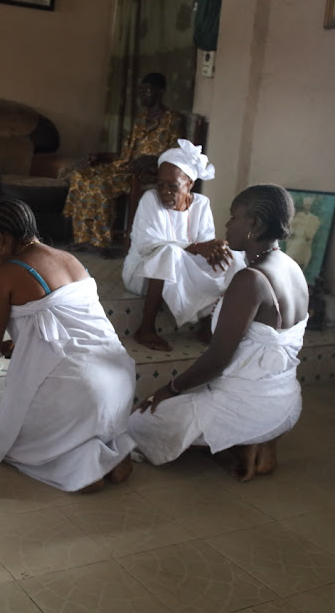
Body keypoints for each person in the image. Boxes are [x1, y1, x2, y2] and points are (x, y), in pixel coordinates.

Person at [0, 199, 137, 492]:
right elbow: (64, 329)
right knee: (81, 413)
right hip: (120, 379)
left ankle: (85, 470)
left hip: (84, 388)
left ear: (0, 239)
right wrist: (14, 347)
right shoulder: (70, 260)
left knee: (10, 441)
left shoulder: (5, 273)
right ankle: (111, 454)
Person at [128, 185, 309, 482]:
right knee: (194, 401)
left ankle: (243, 441)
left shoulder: (250, 279)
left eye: (233, 216)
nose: (227, 225)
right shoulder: (292, 267)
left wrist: (169, 389)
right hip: (286, 402)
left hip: (247, 406)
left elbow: (217, 360)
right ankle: (256, 440)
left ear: (255, 225)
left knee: (140, 422)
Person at [122, 139, 246, 351]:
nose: (164, 191)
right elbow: (146, 244)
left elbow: (206, 243)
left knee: (234, 258)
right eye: (160, 184)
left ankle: (208, 322)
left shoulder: (201, 203)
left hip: (183, 270)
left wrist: (216, 248)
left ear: (189, 184)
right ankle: (146, 328)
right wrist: (197, 248)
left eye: (173, 186)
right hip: (144, 274)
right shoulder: (149, 199)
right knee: (168, 253)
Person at [62, 72, 185, 257]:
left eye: (147, 91)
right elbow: (126, 153)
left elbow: (176, 152)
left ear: (160, 92)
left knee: (99, 184)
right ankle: (83, 239)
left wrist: (153, 160)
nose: (142, 95)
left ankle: (99, 242)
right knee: (80, 176)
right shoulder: (140, 119)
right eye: (140, 91)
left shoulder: (173, 119)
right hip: (125, 166)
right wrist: (103, 156)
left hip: (147, 171)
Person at [284, 196, 321, 270]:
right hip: (295, 239)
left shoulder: (313, 218)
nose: (307, 207)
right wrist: (292, 232)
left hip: (304, 240)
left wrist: (309, 235)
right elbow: (291, 225)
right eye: (306, 205)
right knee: (291, 253)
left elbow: (313, 228)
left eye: (309, 206)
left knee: (303, 255)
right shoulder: (298, 215)